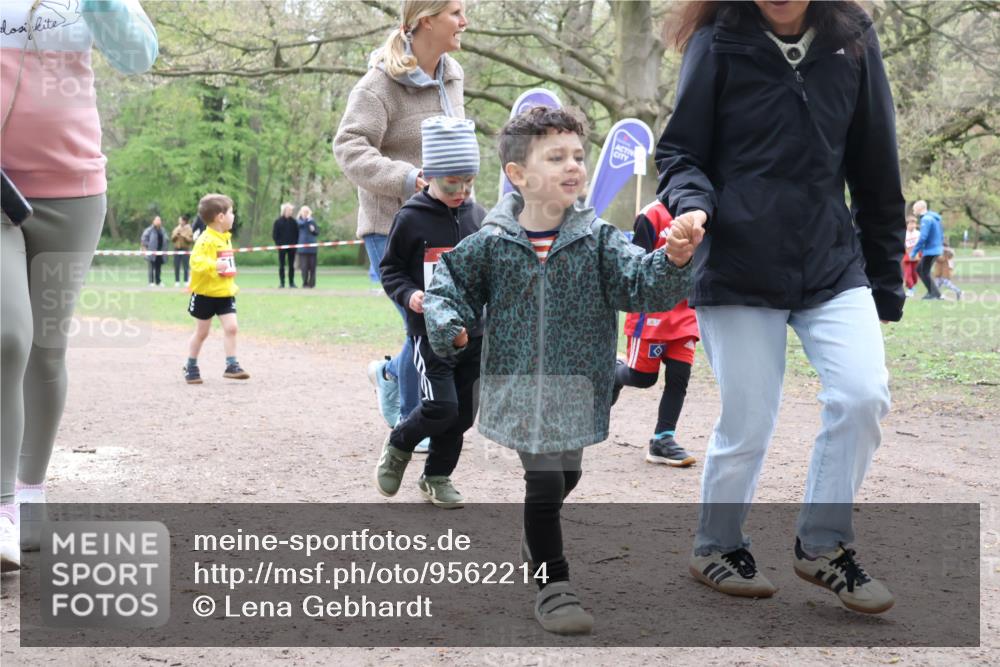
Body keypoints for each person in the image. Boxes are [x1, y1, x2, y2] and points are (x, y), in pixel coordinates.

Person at [657, 0, 902, 613]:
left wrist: (885, 277)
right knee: (749, 420)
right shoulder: (716, 40)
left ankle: (823, 545)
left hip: (829, 260)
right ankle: (716, 545)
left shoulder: (853, 39)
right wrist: (692, 206)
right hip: (739, 260)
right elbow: (680, 153)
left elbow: (877, 163)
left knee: (863, 394)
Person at [422, 107, 694, 634]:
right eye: (556, 157)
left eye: (577, 156)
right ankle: (553, 584)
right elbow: (447, 285)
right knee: (545, 484)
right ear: (518, 175)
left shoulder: (598, 240)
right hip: (518, 384)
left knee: (568, 474)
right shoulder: (492, 241)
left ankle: (536, 536)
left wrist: (674, 260)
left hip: (578, 384)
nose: (573, 166)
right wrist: (448, 322)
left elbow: (641, 285)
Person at [1, 0, 158, 571]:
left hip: (73, 191)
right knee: (6, 336)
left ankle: (29, 496)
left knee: (46, 349)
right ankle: (0, 510)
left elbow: (138, 55)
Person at [333, 0, 469, 439]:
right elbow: (349, 148)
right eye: (456, 12)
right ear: (426, 20)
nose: (464, 22)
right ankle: (416, 424)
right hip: (390, 226)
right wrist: (410, 179)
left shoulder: (453, 76)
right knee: (424, 325)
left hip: (443, 225)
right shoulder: (379, 85)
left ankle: (391, 374)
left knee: (437, 322)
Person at [374, 117, 486, 509]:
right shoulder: (411, 217)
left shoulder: (478, 217)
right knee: (441, 407)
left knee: (462, 417)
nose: (461, 191)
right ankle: (400, 442)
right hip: (430, 335)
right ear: (429, 176)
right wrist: (410, 296)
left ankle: (437, 477)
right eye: (452, 182)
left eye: (468, 182)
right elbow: (390, 270)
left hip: (474, 334)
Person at [612, 200, 699, 468]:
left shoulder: (704, 214)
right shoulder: (652, 215)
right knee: (643, 378)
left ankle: (663, 439)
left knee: (679, 375)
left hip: (685, 314)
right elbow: (637, 263)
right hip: (651, 313)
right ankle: (612, 372)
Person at [183, 194, 249, 384]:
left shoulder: (224, 237)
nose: (234, 216)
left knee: (232, 327)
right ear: (220, 217)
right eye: (231, 212)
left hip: (225, 294)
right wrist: (214, 265)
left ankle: (231, 365)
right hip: (205, 295)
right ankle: (191, 365)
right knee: (202, 333)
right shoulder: (205, 240)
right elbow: (195, 261)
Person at [912, 200, 944, 300]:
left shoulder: (926, 219)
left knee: (923, 271)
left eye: (914, 209)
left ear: (919, 208)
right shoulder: (934, 218)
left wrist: (914, 252)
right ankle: (934, 293)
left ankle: (935, 294)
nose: (913, 211)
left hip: (931, 251)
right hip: (935, 249)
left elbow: (923, 237)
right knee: (921, 270)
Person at [272, 203, 299, 288]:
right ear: (284, 211)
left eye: (291, 210)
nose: (290, 212)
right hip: (282, 247)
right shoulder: (278, 222)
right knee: (282, 265)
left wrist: (294, 244)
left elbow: (297, 234)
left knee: (291, 265)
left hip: (292, 247)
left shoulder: (294, 222)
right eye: (289, 210)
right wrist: (278, 244)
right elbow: (275, 235)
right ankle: (282, 283)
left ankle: (291, 282)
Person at [141, 215, 168, 287]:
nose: (159, 221)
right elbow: (143, 240)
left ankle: (158, 282)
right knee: (151, 267)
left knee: (158, 268)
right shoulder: (149, 230)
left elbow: (166, 239)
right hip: (151, 252)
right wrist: (148, 246)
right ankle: (151, 282)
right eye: (157, 220)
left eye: (159, 220)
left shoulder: (163, 230)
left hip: (160, 252)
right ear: (153, 221)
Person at [295, 206, 319, 288]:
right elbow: (302, 224)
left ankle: (312, 283)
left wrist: (313, 230)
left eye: (307, 212)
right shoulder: (299, 221)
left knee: (312, 267)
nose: (305, 213)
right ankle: (304, 283)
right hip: (303, 249)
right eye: (304, 212)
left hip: (312, 248)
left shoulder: (312, 221)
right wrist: (308, 220)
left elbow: (317, 232)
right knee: (304, 267)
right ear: (301, 213)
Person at [171, 214, 194, 287]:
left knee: (186, 266)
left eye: (180, 220)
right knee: (176, 265)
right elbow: (172, 239)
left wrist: (184, 236)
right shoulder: (176, 228)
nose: (179, 221)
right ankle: (177, 281)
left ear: (184, 221)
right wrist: (176, 235)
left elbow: (191, 240)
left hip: (185, 249)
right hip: (177, 249)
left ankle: (186, 281)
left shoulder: (189, 229)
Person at [903, 215, 920, 297]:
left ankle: (911, 287)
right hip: (907, 256)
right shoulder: (904, 233)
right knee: (908, 273)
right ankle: (911, 289)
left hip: (916, 256)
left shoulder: (918, 233)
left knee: (914, 274)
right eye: (911, 224)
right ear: (907, 225)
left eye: (914, 224)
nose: (913, 225)